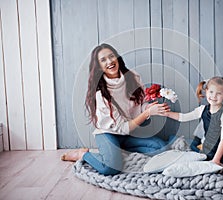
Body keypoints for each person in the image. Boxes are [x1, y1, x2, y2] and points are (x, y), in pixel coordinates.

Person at [61, 43, 171, 175]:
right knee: (110, 168)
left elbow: (140, 104)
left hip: (128, 134)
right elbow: (122, 128)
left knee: (161, 148)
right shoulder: (101, 93)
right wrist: (147, 113)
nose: (109, 61)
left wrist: (150, 107)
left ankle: (118, 151)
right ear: (99, 67)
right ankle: (83, 154)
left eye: (111, 56)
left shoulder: (133, 77)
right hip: (109, 133)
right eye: (103, 60)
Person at [164, 76, 223, 176]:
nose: (214, 96)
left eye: (219, 93)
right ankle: (220, 166)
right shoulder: (203, 109)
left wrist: (216, 160)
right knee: (211, 170)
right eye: (211, 92)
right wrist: (167, 114)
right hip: (210, 150)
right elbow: (183, 117)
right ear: (206, 91)